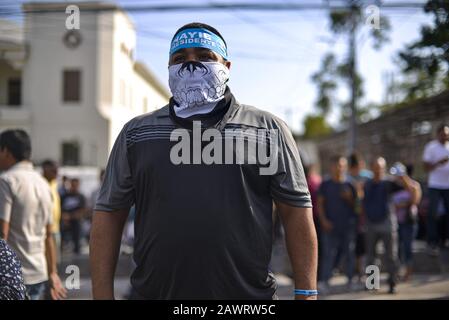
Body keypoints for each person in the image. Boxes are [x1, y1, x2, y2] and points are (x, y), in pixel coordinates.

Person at [90, 22, 318, 300]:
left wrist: (306, 293)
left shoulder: (267, 130)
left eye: (204, 56)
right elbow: (109, 214)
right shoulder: (137, 134)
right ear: (169, 68)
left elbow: (295, 211)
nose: (191, 65)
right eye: (180, 59)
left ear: (227, 66)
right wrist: (102, 294)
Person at [0, 129, 66, 300]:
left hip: (13, 274)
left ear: (5, 151)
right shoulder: (43, 183)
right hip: (40, 271)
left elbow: (2, 234)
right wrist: (53, 272)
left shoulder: (7, 180)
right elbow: (48, 235)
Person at [362, 157, 420, 294]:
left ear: (384, 168)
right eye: (376, 167)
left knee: (391, 256)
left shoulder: (389, 183)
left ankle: (392, 283)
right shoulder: (367, 184)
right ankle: (372, 283)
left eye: (381, 167)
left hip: (387, 224)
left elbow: (410, 189)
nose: (378, 170)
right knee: (371, 256)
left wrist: (402, 175)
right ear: (372, 167)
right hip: (371, 224)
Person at [317, 155, 357, 293]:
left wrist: (349, 198)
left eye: (342, 165)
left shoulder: (350, 184)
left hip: (348, 226)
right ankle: (324, 282)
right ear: (332, 167)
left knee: (349, 254)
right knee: (328, 254)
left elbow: (357, 207)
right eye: (337, 165)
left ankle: (350, 280)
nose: (340, 168)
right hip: (330, 227)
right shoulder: (325, 184)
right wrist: (323, 221)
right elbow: (320, 204)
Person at [391, 164, 422, 281]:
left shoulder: (414, 185)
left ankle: (408, 273)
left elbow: (414, 200)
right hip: (396, 222)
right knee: (396, 249)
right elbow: (391, 204)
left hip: (409, 222)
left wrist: (405, 180)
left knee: (407, 247)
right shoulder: (394, 188)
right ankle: (397, 272)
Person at [422, 124, 449, 253]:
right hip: (435, 185)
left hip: (448, 186)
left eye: (447, 134)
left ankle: (444, 240)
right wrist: (440, 162)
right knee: (433, 213)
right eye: (443, 134)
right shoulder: (431, 147)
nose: (446, 136)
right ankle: (432, 241)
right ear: (438, 134)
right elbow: (426, 167)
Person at [347, 152, 372, 281]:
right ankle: (358, 274)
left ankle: (370, 278)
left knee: (369, 248)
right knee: (357, 248)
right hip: (353, 218)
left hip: (368, 217)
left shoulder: (368, 177)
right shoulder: (347, 179)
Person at [41, 160, 62, 263]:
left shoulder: (54, 183)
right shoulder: (40, 184)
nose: (56, 174)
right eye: (54, 171)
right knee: (46, 260)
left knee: (55, 260)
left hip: (55, 228)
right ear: (45, 170)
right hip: (44, 230)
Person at [61, 178, 86, 255]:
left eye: (76, 185)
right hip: (65, 222)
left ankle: (77, 251)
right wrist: (64, 216)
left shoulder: (81, 196)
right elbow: (61, 208)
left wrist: (70, 216)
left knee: (77, 233)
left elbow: (82, 211)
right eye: (72, 185)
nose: (74, 187)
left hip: (76, 222)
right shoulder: (65, 196)